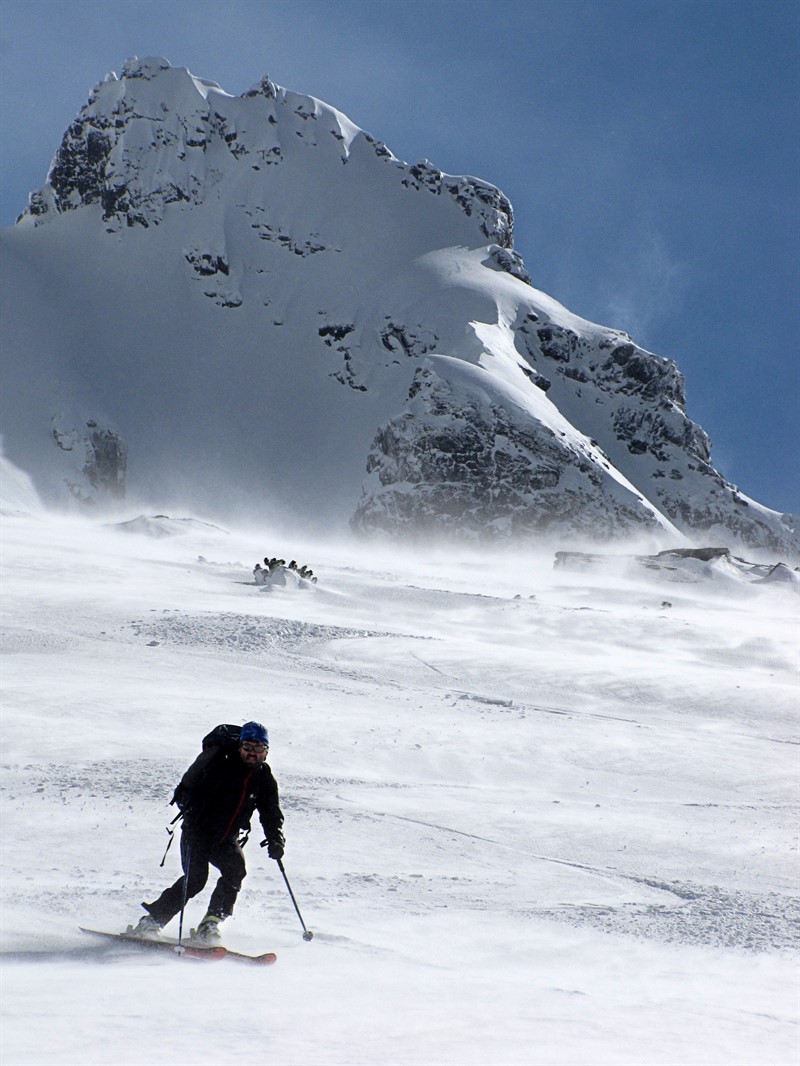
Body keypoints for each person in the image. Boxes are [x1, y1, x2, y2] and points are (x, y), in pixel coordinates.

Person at [128, 721, 285, 944]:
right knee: (195, 880)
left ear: (266, 752)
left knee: (235, 871)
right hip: (197, 831)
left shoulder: (264, 778)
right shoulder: (220, 763)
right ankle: (152, 921)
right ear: (240, 747)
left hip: (225, 838)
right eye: (248, 747)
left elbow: (270, 812)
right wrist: (189, 806)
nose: (252, 754)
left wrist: (275, 840)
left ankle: (210, 923)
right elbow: (189, 787)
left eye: (258, 749)